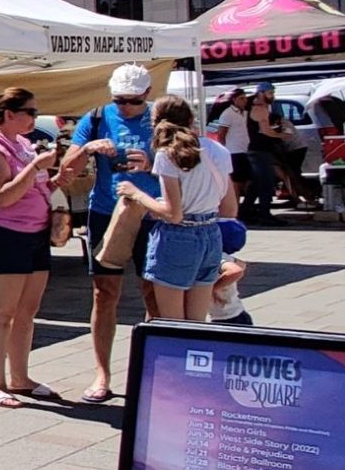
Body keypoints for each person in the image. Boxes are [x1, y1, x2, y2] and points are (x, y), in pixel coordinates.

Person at [67, 65, 158, 404]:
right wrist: (88, 149)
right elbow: (67, 169)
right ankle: (102, 373)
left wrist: (150, 164)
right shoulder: (95, 118)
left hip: (152, 211)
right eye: (119, 101)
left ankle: (152, 372)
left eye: (132, 102)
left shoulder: (161, 119)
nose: (124, 108)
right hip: (107, 212)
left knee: (153, 292)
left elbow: (187, 163)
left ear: (147, 95)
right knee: (104, 293)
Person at [0, 87, 63, 408]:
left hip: (35, 233)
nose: (35, 119)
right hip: (5, 233)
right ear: (10, 114)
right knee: (1, 312)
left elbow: (35, 187)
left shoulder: (22, 144)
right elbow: (2, 195)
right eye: (31, 112)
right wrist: (36, 167)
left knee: (27, 311)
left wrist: (58, 177)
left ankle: (20, 377)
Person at [113, 96, 237, 322]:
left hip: (178, 238)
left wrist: (136, 193)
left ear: (155, 123)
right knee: (197, 323)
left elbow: (173, 214)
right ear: (190, 119)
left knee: (172, 323)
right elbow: (229, 208)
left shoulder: (166, 154)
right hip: (210, 234)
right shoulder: (217, 150)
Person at [238, 86, 289, 224]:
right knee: (266, 182)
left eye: (273, 93)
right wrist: (281, 135)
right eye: (269, 93)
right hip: (259, 151)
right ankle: (264, 214)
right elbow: (265, 130)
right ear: (260, 93)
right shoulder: (260, 109)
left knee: (257, 184)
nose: (272, 95)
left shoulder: (261, 108)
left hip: (260, 150)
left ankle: (244, 212)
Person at [209, 219, 251, 326]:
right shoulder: (227, 257)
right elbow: (242, 264)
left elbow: (236, 271)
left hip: (227, 318)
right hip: (236, 313)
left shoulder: (218, 257)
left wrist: (213, 288)